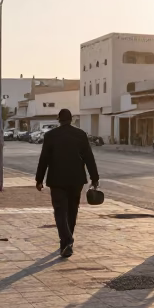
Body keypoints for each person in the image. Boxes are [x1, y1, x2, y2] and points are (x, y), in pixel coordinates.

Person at [35, 109, 99, 258]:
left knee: (60, 211)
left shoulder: (50, 135)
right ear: (71, 119)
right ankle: (67, 243)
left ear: (59, 120)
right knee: (72, 211)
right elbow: (89, 157)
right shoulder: (80, 135)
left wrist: (39, 179)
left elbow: (44, 158)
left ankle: (66, 241)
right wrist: (94, 178)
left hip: (56, 180)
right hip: (76, 179)